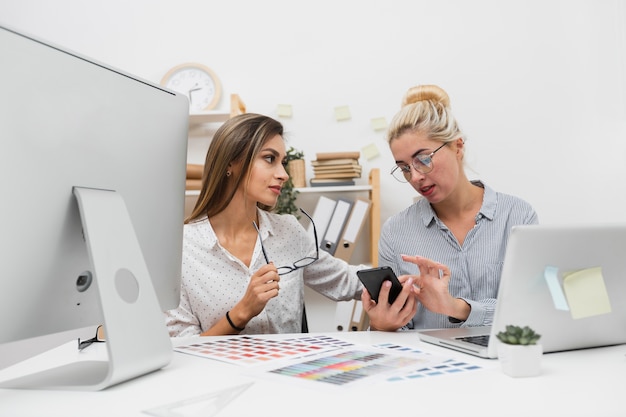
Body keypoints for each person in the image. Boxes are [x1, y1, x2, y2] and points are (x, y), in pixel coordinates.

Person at [165, 113, 363, 336]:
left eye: (283, 163)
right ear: (231, 162)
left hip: (288, 368)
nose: (283, 174)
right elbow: (183, 348)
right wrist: (241, 312)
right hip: (218, 371)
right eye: (270, 159)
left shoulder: (288, 231)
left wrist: (398, 280)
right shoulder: (182, 249)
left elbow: (346, 280)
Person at [362, 85, 538, 331]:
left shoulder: (518, 216)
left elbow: (532, 307)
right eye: (404, 168)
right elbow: (396, 330)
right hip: (430, 366)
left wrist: (457, 308)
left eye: (423, 159)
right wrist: (382, 325)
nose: (415, 177)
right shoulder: (396, 231)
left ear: (457, 146)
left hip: (503, 363)